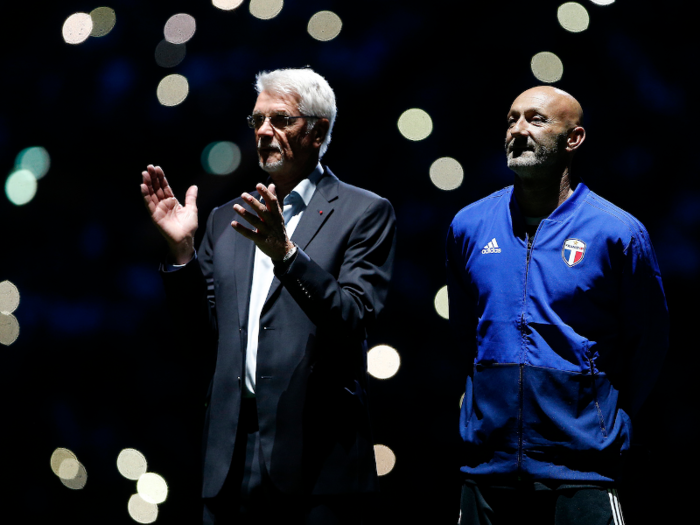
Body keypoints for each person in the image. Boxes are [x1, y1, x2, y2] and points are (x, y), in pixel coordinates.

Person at [141, 68, 396, 524]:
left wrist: (287, 255)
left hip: (317, 459)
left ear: (317, 132)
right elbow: (203, 337)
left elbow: (354, 318)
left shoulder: (365, 212)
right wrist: (182, 254)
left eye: (280, 120)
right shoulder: (225, 220)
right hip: (230, 455)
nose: (263, 132)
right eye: (256, 121)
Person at [445, 86, 668, 525]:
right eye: (511, 119)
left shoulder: (617, 233)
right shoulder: (468, 225)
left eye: (536, 119)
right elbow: (463, 334)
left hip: (583, 471)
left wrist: (603, 421)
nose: (518, 129)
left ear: (574, 139)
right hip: (488, 469)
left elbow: (650, 343)